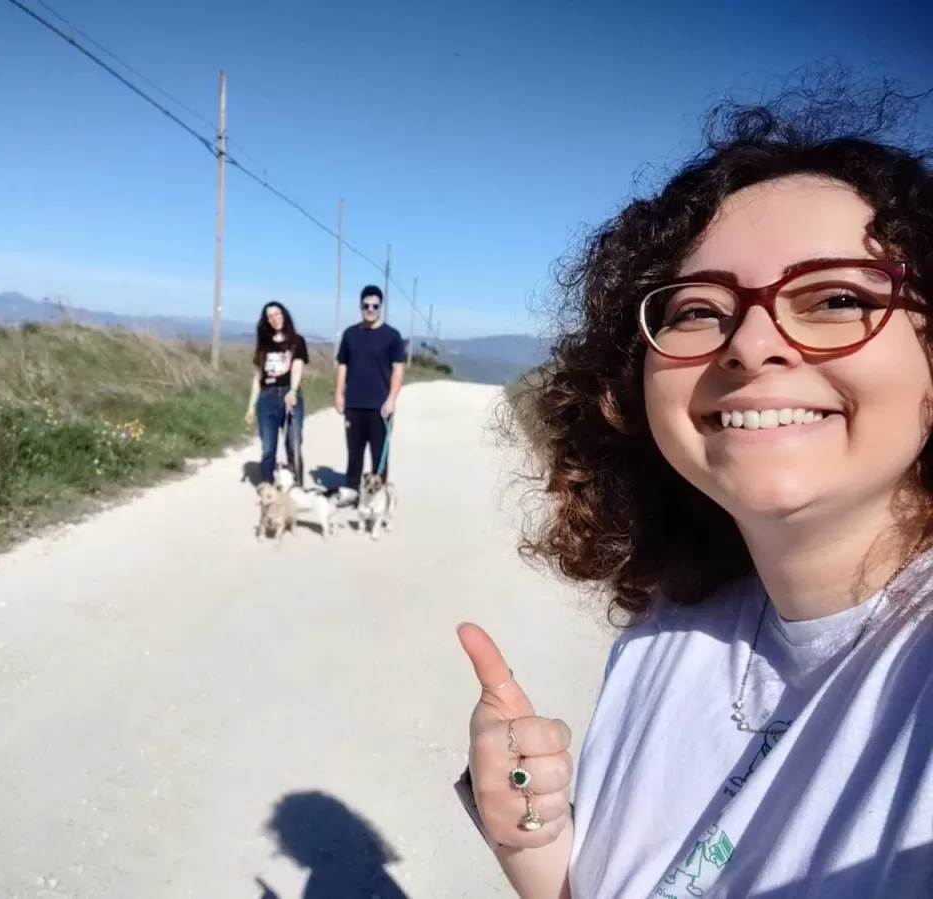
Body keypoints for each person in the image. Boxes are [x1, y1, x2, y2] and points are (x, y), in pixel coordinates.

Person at [456, 80, 933, 898]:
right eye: (698, 310)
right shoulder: (667, 628)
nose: (749, 343)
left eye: (838, 297)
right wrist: (538, 852)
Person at [334, 285, 405, 502]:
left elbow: (398, 370)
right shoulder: (350, 334)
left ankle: (378, 497)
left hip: (380, 407)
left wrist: (392, 399)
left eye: (375, 306)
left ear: (380, 307)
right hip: (354, 404)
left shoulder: (392, 336)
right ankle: (352, 490)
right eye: (366, 305)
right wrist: (339, 394)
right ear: (360, 306)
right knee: (354, 453)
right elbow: (343, 365)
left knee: (379, 456)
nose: (370, 309)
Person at [246, 302, 309, 486]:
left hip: (290, 397)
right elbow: (258, 377)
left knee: (294, 446)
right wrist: (251, 406)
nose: (275, 319)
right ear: (266, 321)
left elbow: (297, 367)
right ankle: (267, 489)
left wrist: (293, 390)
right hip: (267, 398)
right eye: (270, 316)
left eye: (277, 314)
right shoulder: (264, 345)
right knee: (268, 448)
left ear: (284, 314)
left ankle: (297, 489)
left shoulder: (297, 341)